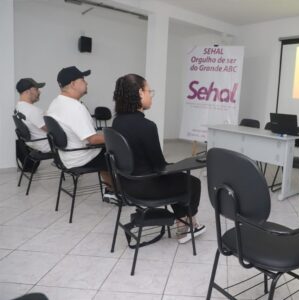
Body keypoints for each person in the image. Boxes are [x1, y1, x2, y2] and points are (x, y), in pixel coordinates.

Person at [111, 73, 205, 244]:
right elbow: (160, 166)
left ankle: (181, 220)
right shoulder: (147, 126)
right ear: (140, 93)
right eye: (149, 91)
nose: (151, 95)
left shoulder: (117, 123)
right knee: (193, 183)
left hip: (125, 185)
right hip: (146, 187)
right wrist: (181, 165)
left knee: (178, 179)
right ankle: (187, 226)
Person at [46, 66, 115, 200]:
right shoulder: (75, 107)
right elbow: (93, 140)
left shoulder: (55, 103)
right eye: (83, 80)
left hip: (65, 156)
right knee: (117, 152)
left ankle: (110, 189)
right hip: (79, 158)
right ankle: (116, 192)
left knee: (107, 147)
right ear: (73, 84)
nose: (86, 83)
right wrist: (118, 137)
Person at [15, 78, 51, 153]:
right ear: (27, 91)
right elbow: (51, 129)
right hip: (46, 144)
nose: (39, 92)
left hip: (33, 143)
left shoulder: (18, 107)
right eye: (36, 89)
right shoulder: (32, 110)